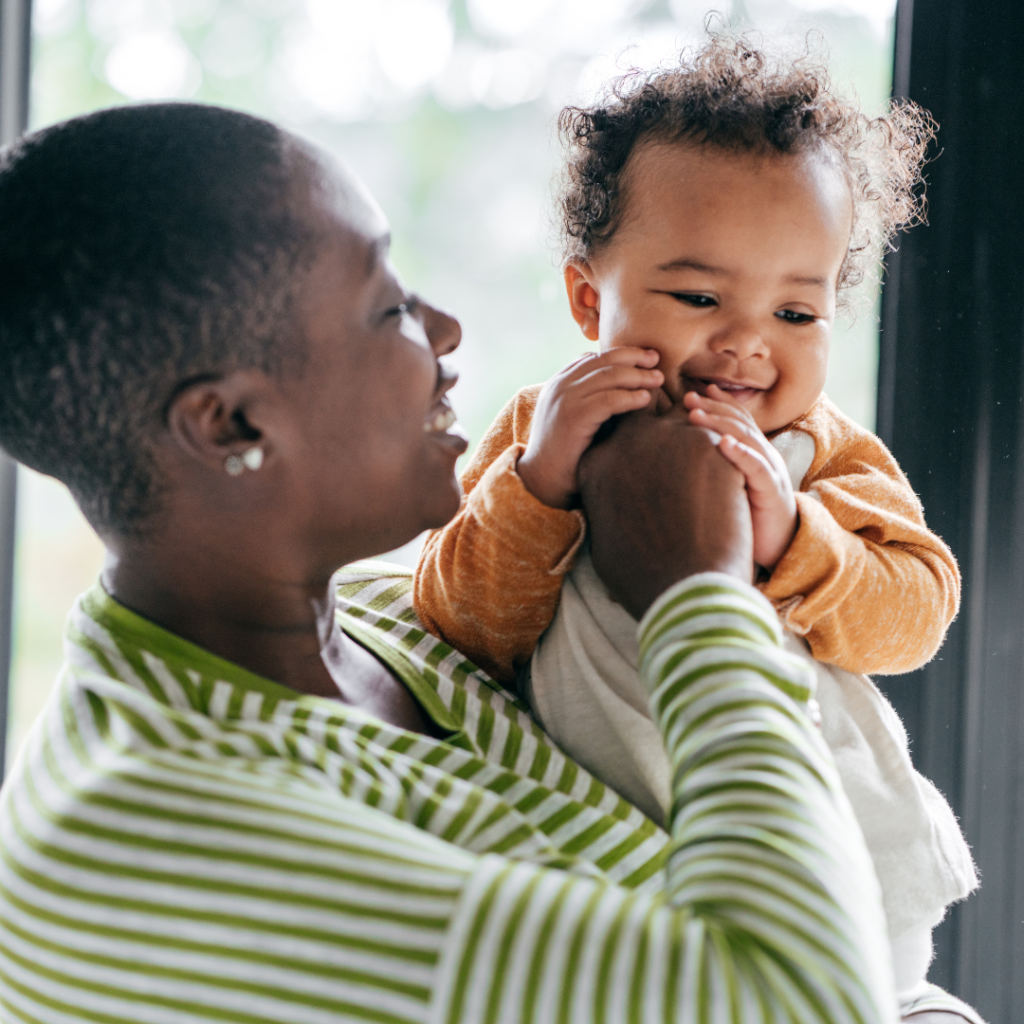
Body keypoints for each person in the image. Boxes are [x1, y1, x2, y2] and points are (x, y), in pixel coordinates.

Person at [0, 103, 972, 1024]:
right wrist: (694, 588)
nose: (448, 330)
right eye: (386, 307)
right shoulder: (153, 840)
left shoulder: (366, 625)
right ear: (233, 422)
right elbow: (798, 1005)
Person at [413, 38, 979, 1013]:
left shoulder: (824, 455)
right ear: (591, 297)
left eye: (797, 312)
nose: (747, 341)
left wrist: (796, 541)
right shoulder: (546, 436)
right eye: (700, 297)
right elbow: (459, 621)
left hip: (829, 849)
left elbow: (917, 612)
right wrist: (542, 481)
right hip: (612, 860)